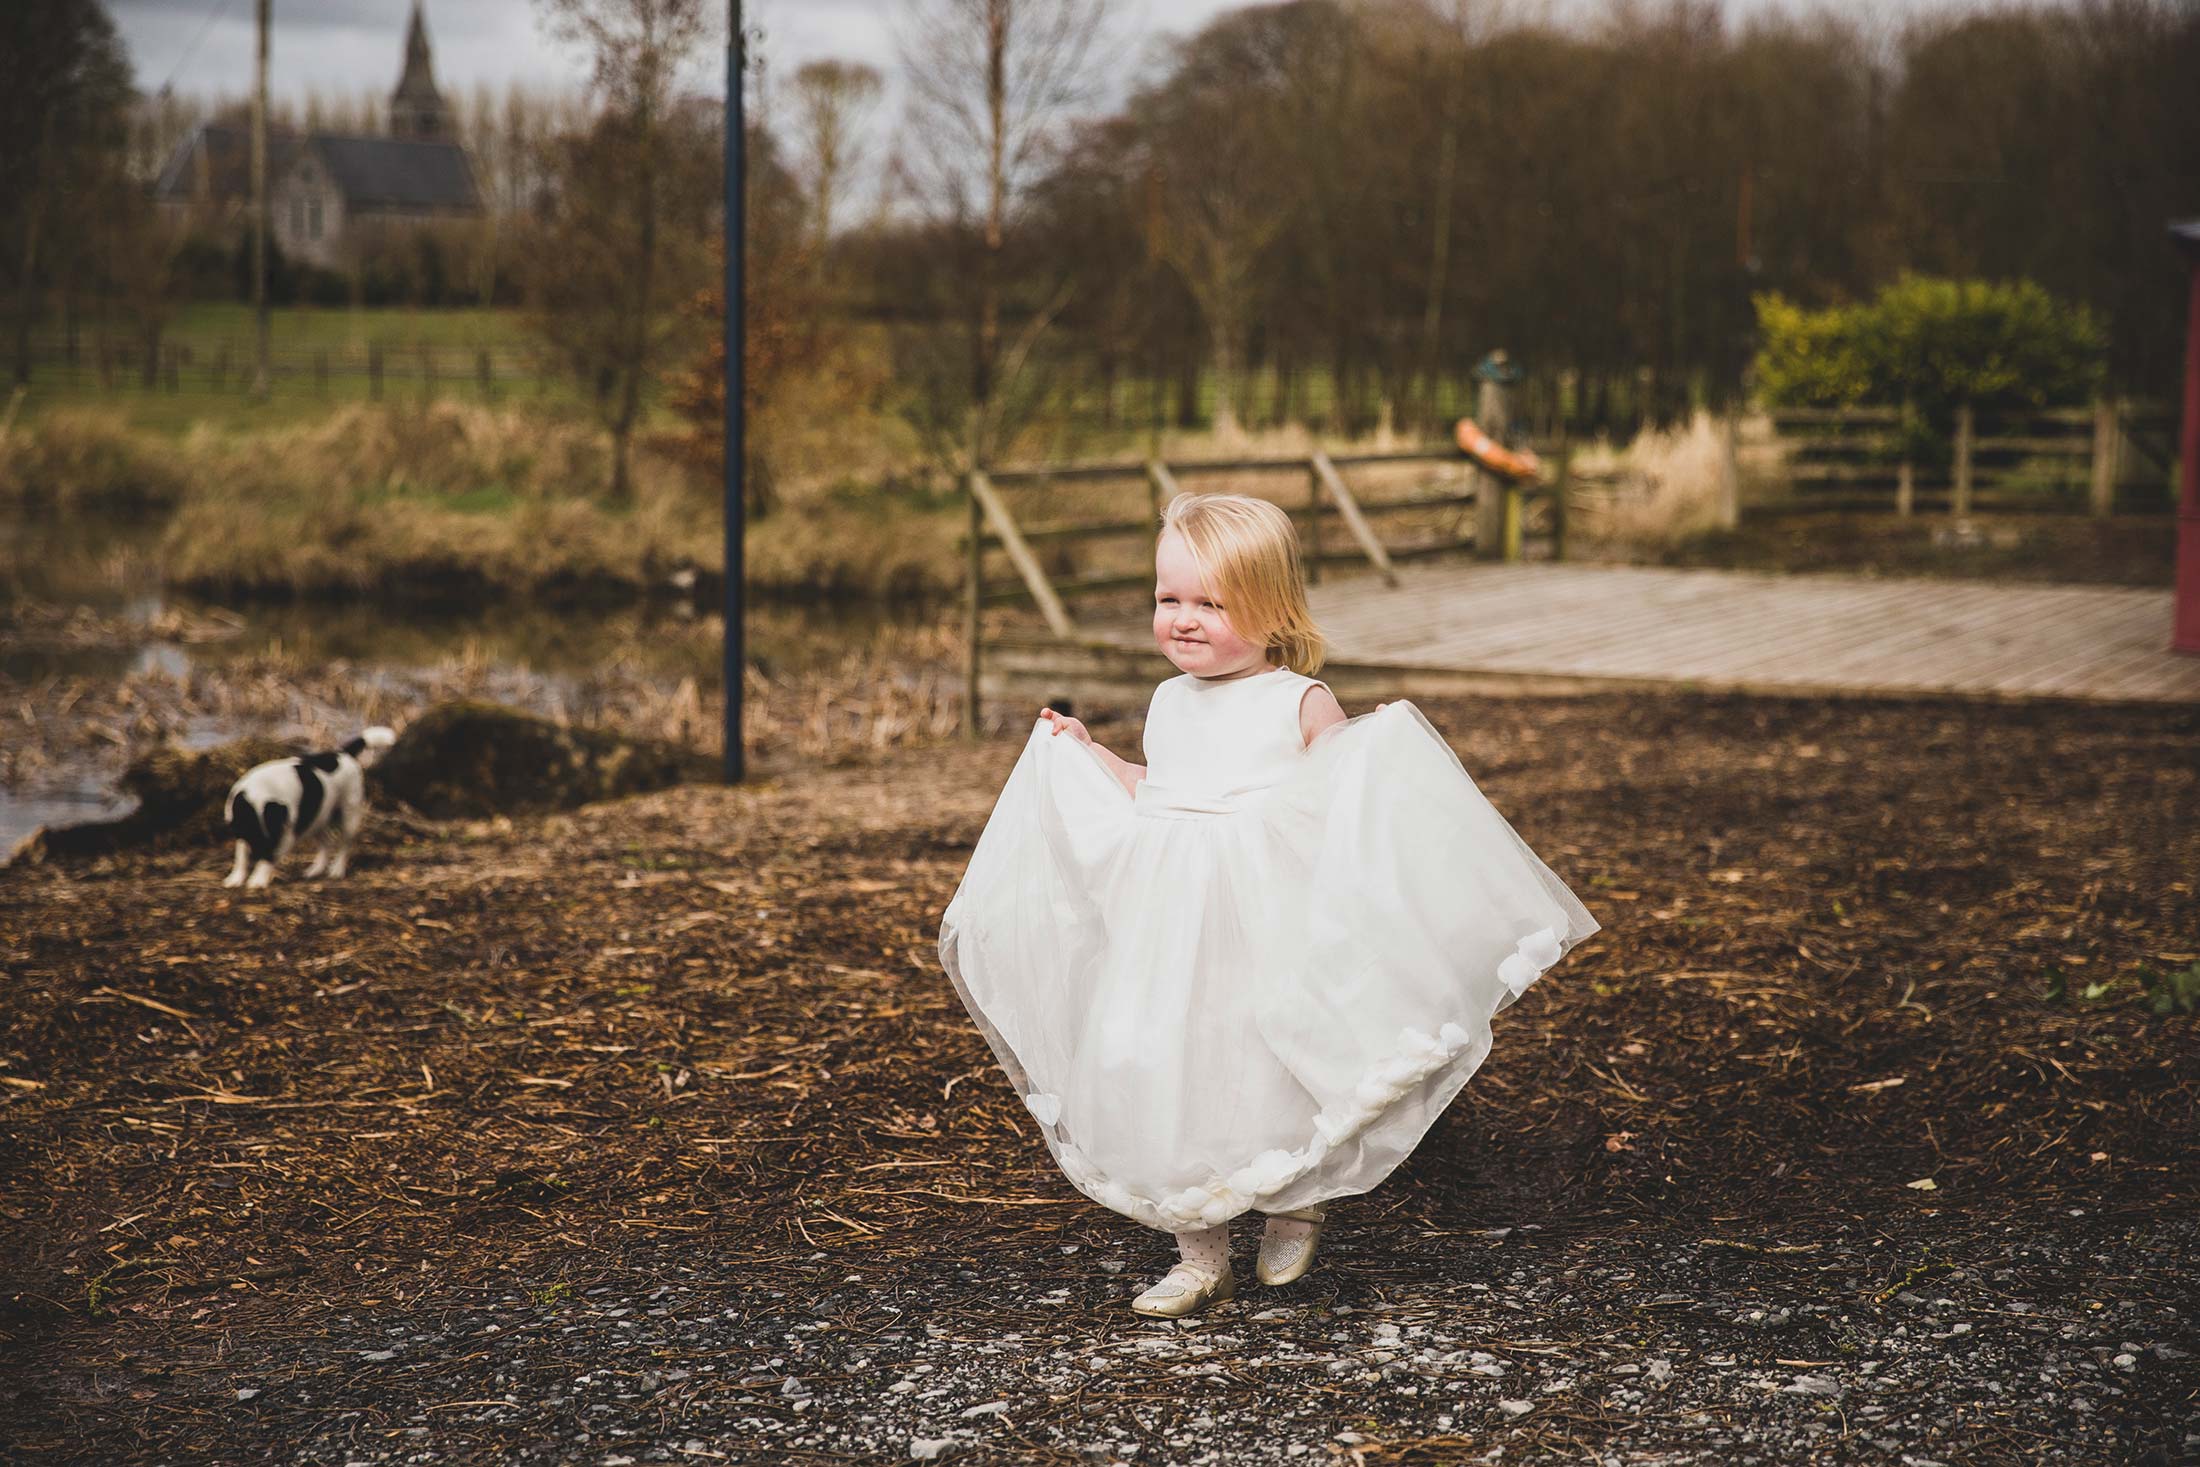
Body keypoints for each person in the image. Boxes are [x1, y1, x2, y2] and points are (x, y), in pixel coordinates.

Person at [935, 491, 1599, 1318]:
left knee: (1275, 1066)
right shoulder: (1168, 700)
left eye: (1211, 604)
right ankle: (1199, 1253)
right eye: (1168, 597)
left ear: (1273, 609)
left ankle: (1297, 1198)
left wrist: (1371, 751)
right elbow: (1158, 787)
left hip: (1265, 924)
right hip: (1175, 935)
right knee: (1167, 1068)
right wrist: (1090, 754)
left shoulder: (1298, 699)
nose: (1183, 619)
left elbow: (1338, 789)